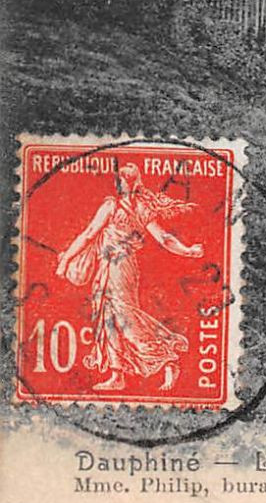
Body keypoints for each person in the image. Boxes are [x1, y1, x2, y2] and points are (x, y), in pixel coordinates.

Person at [54, 163, 204, 392]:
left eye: (121, 179)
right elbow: (165, 239)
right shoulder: (142, 208)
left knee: (126, 320)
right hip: (115, 267)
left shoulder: (112, 205)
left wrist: (65, 261)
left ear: (124, 182)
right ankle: (117, 375)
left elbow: (88, 235)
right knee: (108, 318)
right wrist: (188, 250)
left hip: (117, 268)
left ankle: (166, 358)